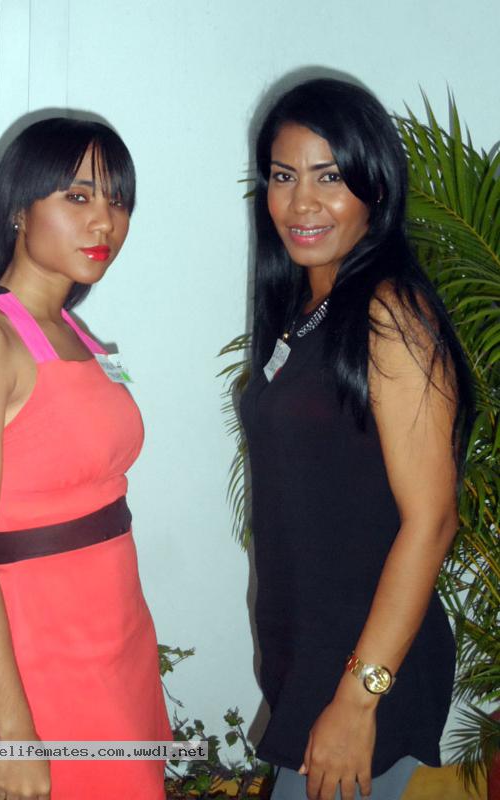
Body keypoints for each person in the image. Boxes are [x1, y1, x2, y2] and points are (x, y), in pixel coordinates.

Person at [239, 78, 474, 800]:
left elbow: (432, 521)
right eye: (284, 176)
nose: (301, 203)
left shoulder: (390, 313)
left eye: (330, 177)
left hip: (364, 669)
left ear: (375, 185)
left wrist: (358, 699)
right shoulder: (307, 305)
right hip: (315, 657)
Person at [0, 117, 171, 800]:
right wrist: (15, 729)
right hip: (48, 647)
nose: (105, 222)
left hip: (118, 629)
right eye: (78, 196)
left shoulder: (71, 331)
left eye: (118, 201)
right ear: (18, 207)